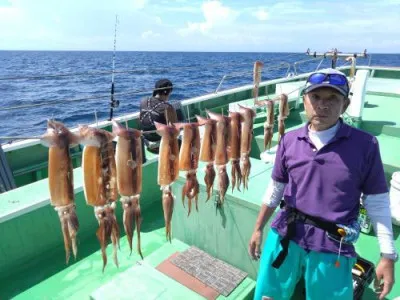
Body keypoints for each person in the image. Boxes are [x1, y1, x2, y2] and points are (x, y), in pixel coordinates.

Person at [248, 68, 397, 300]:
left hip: (333, 245)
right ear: (305, 100)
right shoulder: (289, 139)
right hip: (286, 234)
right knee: (269, 296)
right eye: (316, 97)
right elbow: (276, 188)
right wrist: (258, 228)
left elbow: (377, 202)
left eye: (333, 99)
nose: (322, 105)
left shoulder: (365, 145)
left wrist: (388, 255)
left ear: (345, 105)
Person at [139, 78, 184, 153]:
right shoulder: (167, 107)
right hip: (160, 143)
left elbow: (140, 119)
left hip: (146, 141)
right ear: (168, 92)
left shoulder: (143, 100)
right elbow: (175, 132)